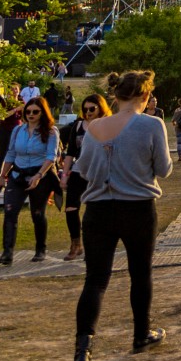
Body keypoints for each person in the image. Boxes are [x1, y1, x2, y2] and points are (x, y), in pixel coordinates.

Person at [72, 70, 171, 361]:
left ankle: (82, 353)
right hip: (138, 208)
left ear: (114, 96)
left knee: (96, 279)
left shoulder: (95, 126)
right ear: (145, 96)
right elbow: (164, 169)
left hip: (99, 209)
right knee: (140, 273)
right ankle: (141, 334)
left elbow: (84, 168)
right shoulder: (152, 124)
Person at [0, 96, 60, 265]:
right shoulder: (18, 130)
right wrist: (2, 176)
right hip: (18, 175)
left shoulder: (51, 131)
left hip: (40, 175)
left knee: (37, 213)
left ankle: (40, 250)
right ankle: (7, 253)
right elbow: (11, 153)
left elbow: (51, 156)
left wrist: (38, 176)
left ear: (42, 113)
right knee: (10, 211)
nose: (31, 114)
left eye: (35, 112)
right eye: (27, 111)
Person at [60, 92, 109, 262]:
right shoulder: (78, 126)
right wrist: (65, 175)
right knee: (71, 209)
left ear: (100, 108)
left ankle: (95, 246)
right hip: (78, 171)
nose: (88, 112)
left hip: (98, 173)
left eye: (92, 108)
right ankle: (75, 244)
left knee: (95, 211)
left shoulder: (107, 125)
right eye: (85, 109)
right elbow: (70, 152)